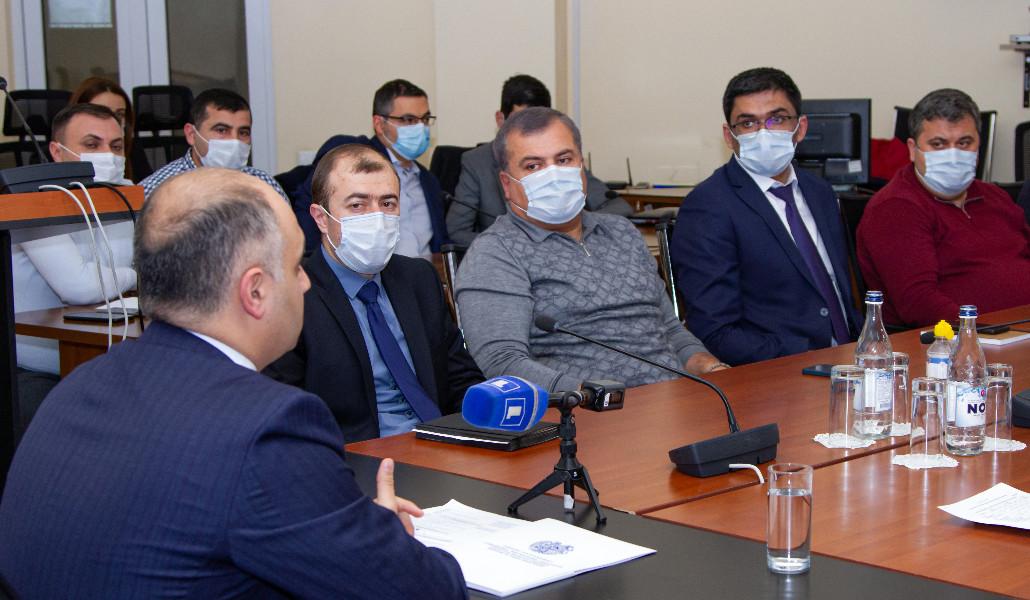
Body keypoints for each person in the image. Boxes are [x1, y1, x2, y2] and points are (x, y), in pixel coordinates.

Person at [0, 169, 467, 598]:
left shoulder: (79, 385)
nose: (306, 284)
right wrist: (381, 535)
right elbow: (420, 590)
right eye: (296, 267)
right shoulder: (269, 428)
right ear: (255, 290)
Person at [455, 107, 724, 393]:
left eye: (563, 160)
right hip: (587, 409)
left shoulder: (622, 232)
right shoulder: (495, 253)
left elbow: (669, 329)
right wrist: (593, 397)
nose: (553, 175)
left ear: (581, 166)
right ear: (507, 184)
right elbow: (503, 361)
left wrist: (709, 366)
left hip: (675, 397)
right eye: (533, 166)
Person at [266, 144, 483, 442]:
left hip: (441, 441)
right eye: (357, 205)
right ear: (321, 218)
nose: (377, 217)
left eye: (388, 203)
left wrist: (491, 414)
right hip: (358, 453)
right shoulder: (293, 293)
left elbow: (459, 377)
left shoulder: (418, 278)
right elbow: (286, 414)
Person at [671, 67, 861, 366]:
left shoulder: (820, 192)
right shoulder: (708, 206)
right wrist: (811, 359)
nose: (763, 133)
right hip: (783, 368)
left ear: (800, 127)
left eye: (777, 119)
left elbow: (840, 295)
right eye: (748, 123)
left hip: (855, 358)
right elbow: (715, 331)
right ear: (729, 136)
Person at [857, 88, 1030, 327]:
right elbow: (918, 303)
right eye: (938, 144)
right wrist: (983, 332)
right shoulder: (895, 208)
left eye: (964, 143)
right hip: (962, 340)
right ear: (912, 149)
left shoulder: (994, 196)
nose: (953, 155)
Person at [13, 103, 136, 416]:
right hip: (39, 369)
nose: (108, 155)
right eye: (92, 145)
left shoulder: (128, 194)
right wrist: (137, 276)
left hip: (112, 359)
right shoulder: (34, 201)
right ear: (57, 151)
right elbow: (80, 288)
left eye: (116, 146)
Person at [446, 74, 631, 246]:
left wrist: (579, 229)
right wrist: (516, 246)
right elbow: (457, 231)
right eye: (522, 124)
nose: (533, 133)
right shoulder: (476, 163)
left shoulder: (563, 160)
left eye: (540, 124)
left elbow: (618, 207)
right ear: (500, 120)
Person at [293, 79, 449, 256]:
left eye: (425, 119)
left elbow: (441, 244)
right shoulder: (349, 157)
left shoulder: (429, 180)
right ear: (379, 124)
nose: (420, 127)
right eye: (409, 119)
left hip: (423, 271)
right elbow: (309, 212)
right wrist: (321, 267)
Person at [139, 88, 286, 200]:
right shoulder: (156, 191)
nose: (234, 140)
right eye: (221, 130)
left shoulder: (264, 186)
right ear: (191, 134)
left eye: (243, 132)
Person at [69, 76, 152, 181]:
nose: (113, 120)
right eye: (101, 112)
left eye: (119, 114)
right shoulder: (67, 150)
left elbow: (145, 187)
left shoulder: (133, 148)